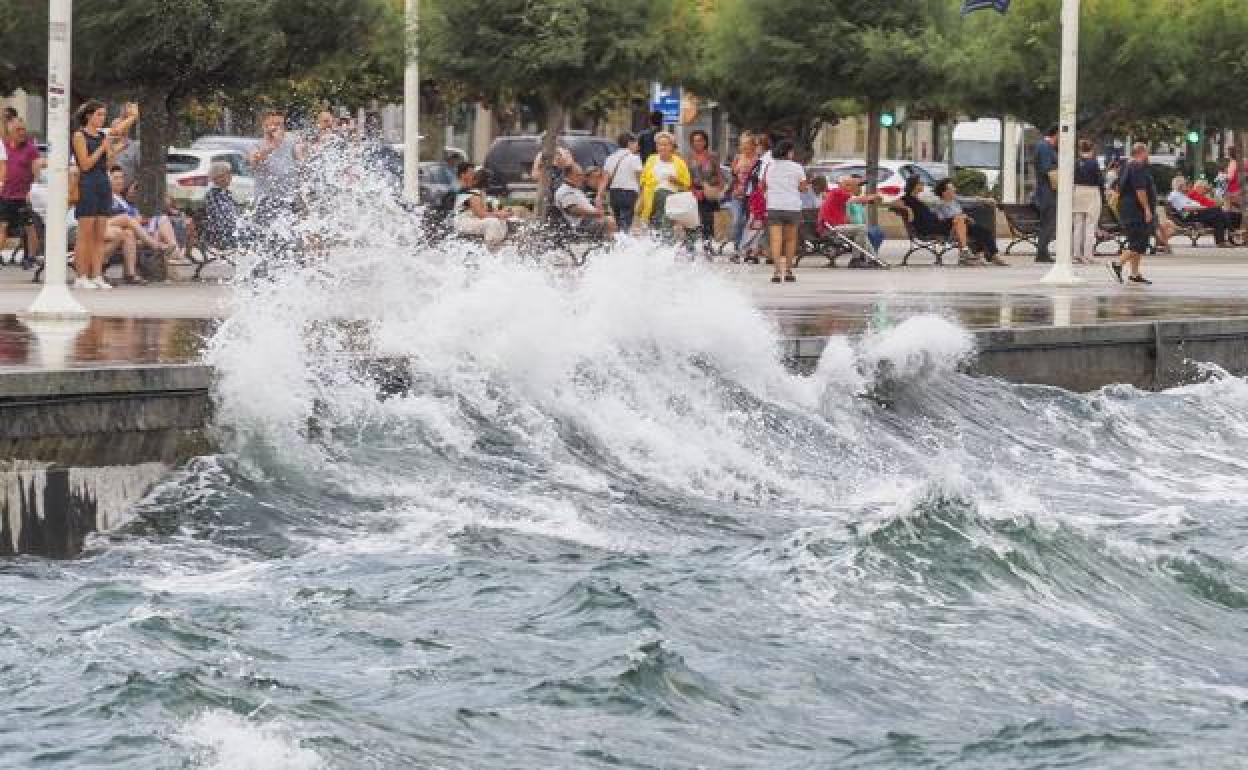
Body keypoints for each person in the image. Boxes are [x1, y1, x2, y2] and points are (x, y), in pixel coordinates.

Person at [72, 100, 139, 290]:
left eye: (104, 115)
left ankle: (97, 275)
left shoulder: (103, 136)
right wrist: (103, 147)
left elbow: (107, 165)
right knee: (85, 234)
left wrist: (113, 151)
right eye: (99, 114)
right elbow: (85, 165)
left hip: (103, 184)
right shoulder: (79, 135)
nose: (102, 118)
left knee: (99, 235)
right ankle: (81, 276)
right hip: (88, 184)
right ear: (88, 116)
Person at [0, 116, 45, 264]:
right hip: (5, 194)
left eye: (23, 129)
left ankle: (31, 257)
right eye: (18, 130)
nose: (22, 132)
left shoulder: (30, 148)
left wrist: (31, 191)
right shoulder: (4, 146)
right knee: (3, 225)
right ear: (9, 131)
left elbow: (37, 171)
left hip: (23, 195)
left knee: (29, 226)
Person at [249, 110, 306, 225]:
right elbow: (254, 161)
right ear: (264, 126)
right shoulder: (257, 145)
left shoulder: (291, 142)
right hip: (266, 201)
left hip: (289, 200)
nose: (277, 128)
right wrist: (273, 145)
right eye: (273, 125)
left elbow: (302, 161)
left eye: (280, 124)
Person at [932, 179, 1005, 266]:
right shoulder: (939, 204)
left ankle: (993, 255)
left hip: (964, 225)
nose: (954, 189)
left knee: (984, 231)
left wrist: (985, 200)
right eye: (952, 188)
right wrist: (961, 217)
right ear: (944, 192)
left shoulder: (955, 200)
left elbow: (970, 200)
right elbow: (941, 220)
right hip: (952, 228)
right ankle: (978, 256)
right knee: (976, 231)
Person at [763, 139, 807, 283]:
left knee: (775, 240)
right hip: (792, 207)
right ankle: (788, 270)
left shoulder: (769, 167)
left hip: (774, 206)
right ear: (789, 152)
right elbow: (803, 188)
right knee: (790, 240)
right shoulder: (797, 167)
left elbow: (763, 185)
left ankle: (776, 272)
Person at [1113, 142, 1155, 285]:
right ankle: (1118, 264)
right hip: (1135, 210)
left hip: (1127, 208)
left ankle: (1135, 274)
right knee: (1139, 242)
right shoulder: (1137, 166)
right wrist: (1147, 209)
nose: (1147, 156)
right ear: (1142, 152)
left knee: (1136, 241)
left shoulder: (1126, 166)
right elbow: (1140, 190)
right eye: (1147, 153)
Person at [637, 131, 691, 237]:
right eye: (660, 144)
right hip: (651, 199)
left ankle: (665, 246)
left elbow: (687, 183)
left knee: (665, 225)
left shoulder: (679, 162)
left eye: (666, 144)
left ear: (671, 146)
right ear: (656, 146)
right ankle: (658, 247)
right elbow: (643, 179)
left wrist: (676, 181)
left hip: (671, 199)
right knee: (653, 227)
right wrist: (641, 198)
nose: (663, 147)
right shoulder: (651, 159)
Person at [817, 175, 881, 260]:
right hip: (829, 229)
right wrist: (875, 196)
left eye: (851, 185)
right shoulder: (838, 192)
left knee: (862, 231)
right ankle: (855, 259)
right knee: (861, 228)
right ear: (840, 185)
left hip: (834, 227)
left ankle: (874, 259)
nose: (850, 188)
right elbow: (857, 199)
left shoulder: (839, 193)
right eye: (847, 185)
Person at [451, 162, 510, 251]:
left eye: (474, 173)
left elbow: (483, 210)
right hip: (463, 222)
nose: (474, 176)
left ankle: (500, 246)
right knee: (492, 222)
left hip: (472, 219)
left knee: (501, 221)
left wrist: (500, 213)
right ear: (463, 175)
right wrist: (498, 214)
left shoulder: (475, 191)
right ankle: (490, 250)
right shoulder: (468, 192)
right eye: (471, 173)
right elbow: (480, 214)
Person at [1168, 175, 1232, 247]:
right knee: (1217, 210)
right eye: (1185, 184)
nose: (1187, 186)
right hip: (1191, 215)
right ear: (1180, 186)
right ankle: (1231, 231)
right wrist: (1202, 208)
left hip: (1194, 213)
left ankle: (1221, 242)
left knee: (1218, 218)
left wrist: (1202, 208)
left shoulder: (1179, 194)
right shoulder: (1175, 195)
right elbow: (1185, 208)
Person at [687, 130, 723, 256]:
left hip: (709, 191)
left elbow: (718, 173)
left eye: (700, 140)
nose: (697, 143)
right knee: (691, 220)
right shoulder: (688, 157)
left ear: (705, 141)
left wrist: (719, 186)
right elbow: (687, 176)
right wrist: (693, 190)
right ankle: (689, 246)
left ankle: (707, 245)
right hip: (693, 191)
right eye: (695, 140)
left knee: (708, 220)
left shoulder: (712, 156)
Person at [556, 164, 616, 239]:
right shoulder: (565, 191)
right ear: (569, 176)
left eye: (581, 175)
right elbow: (573, 209)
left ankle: (611, 244)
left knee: (610, 220)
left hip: (587, 220)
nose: (582, 178)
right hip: (580, 224)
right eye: (578, 175)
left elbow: (604, 175)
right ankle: (611, 246)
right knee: (609, 221)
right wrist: (595, 213)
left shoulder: (574, 188)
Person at [599, 132, 642, 234]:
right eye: (635, 143)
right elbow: (639, 177)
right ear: (629, 143)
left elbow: (604, 179)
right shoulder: (634, 158)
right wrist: (642, 192)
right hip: (629, 193)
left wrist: (599, 195)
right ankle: (623, 244)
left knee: (618, 222)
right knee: (626, 222)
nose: (637, 146)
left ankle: (619, 242)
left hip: (614, 193)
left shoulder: (611, 157)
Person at [203, 161, 252, 249]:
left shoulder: (223, 193)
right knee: (263, 237)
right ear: (218, 177)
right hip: (223, 236)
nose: (231, 176)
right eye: (228, 173)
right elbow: (225, 219)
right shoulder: (215, 195)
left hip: (228, 232)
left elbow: (233, 215)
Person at [728, 132, 760, 261]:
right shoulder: (737, 158)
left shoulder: (758, 159)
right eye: (742, 145)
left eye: (747, 144)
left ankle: (748, 250)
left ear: (753, 146)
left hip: (752, 196)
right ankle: (736, 248)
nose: (744, 147)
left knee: (750, 223)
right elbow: (732, 175)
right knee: (736, 221)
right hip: (737, 194)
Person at [1072, 139, 1104, 265]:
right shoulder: (1094, 163)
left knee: (1078, 225)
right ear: (1092, 150)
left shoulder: (1075, 163)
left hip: (1078, 191)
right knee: (1090, 225)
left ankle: (1076, 254)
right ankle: (1088, 255)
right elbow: (1100, 180)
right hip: (1092, 192)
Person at [1033, 125, 1059, 263]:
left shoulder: (1046, 147)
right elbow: (1046, 168)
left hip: (1048, 190)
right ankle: (1042, 253)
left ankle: (1043, 251)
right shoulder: (1044, 147)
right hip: (1047, 191)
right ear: (1057, 133)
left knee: (1049, 222)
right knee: (1048, 222)